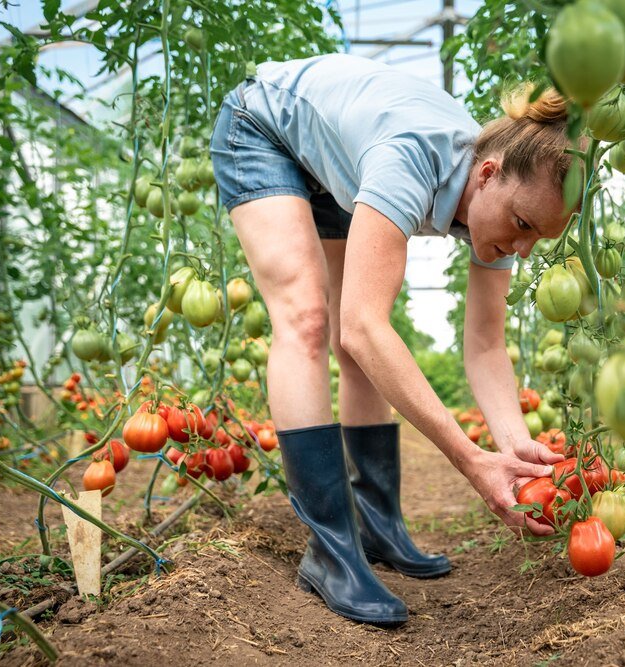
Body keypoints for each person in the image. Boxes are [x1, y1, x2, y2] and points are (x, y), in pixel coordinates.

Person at [209, 53, 576, 626]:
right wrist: (468, 458)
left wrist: (512, 448)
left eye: (539, 238)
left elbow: (485, 346)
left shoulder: (502, 207)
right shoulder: (411, 157)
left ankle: (379, 528)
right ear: (485, 175)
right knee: (311, 319)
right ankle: (331, 552)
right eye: (523, 226)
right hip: (264, 127)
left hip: (339, 162)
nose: (523, 248)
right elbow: (362, 327)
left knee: (359, 347)